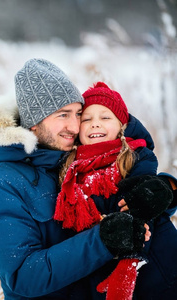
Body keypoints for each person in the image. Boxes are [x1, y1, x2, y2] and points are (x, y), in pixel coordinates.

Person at [0, 58, 177, 299]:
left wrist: (165, 190)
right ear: (33, 122)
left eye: (79, 114)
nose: (75, 125)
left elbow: (126, 148)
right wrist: (103, 239)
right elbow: (23, 276)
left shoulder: (73, 156)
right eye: (63, 114)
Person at [53, 81, 172, 299]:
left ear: (121, 126)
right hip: (98, 267)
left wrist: (127, 266)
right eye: (87, 119)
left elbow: (142, 214)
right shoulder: (69, 169)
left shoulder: (136, 157)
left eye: (105, 118)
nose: (95, 124)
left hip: (156, 267)